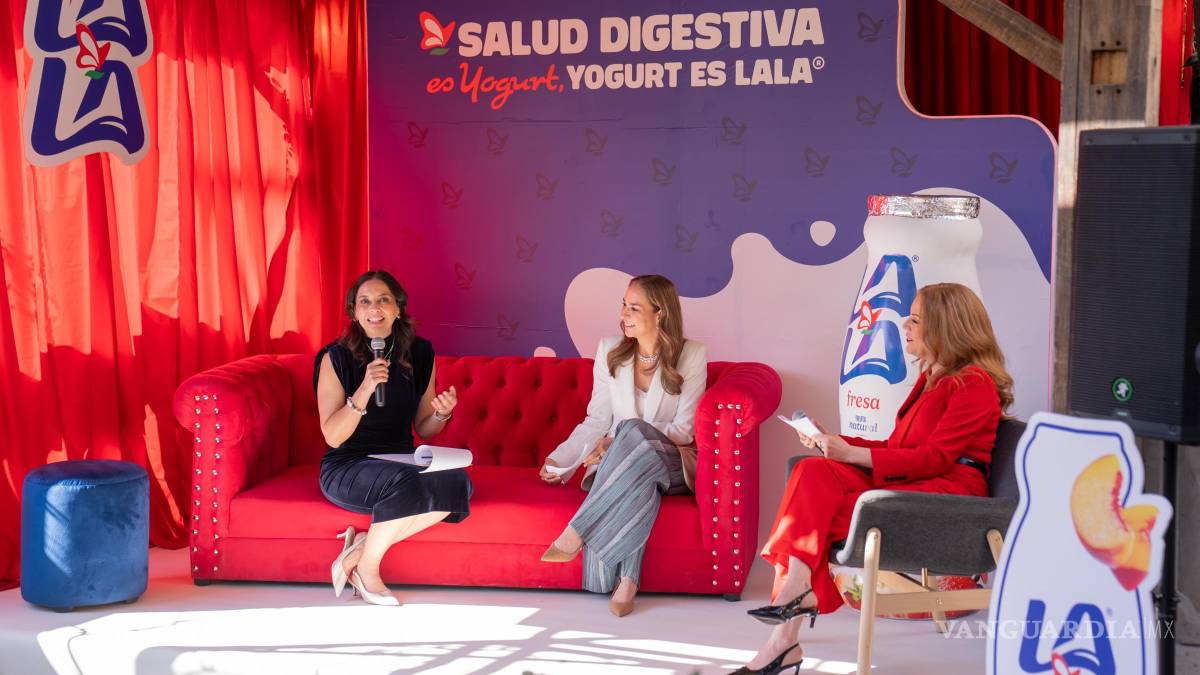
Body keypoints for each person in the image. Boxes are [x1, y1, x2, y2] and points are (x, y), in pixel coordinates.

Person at [734, 283, 1014, 674]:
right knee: (810, 471)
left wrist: (849, 454)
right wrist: (835, 440)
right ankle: (796, 594)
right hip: (917, 481)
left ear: (945, 327)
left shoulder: (974, 384)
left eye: (915, 319)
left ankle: (785, 634)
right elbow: (899, 446)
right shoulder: (932, 378)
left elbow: (935, 458)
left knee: (815, 513)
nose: (905, 326)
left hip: (949, 497)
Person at [538, 274, 708, 617]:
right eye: (623, 305)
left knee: (631, 431)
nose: (623, 314)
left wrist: (620, 440)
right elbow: (597, 419)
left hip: (673, 461)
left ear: (660, 313)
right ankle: (628, 582)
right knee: (639, 478)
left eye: (634, 307)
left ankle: (576, 531)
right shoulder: (610, 351)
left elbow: (683, 430)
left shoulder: (692, 354)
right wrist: (560, 459)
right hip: (630, 468)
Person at [314, 270, 471, 606]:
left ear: (398, 309)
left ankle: (359, 550)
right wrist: (365, 388)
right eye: (365, 302)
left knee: (459, 482)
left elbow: (424, 428)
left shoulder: (420, 353)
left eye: (383, 300)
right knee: (408, 482)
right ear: (354, 312)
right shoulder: (335, 358)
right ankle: (368, 570)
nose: (374, 308)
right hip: (348, 464)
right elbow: (333, 436)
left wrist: (441, 413)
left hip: (401, 459)